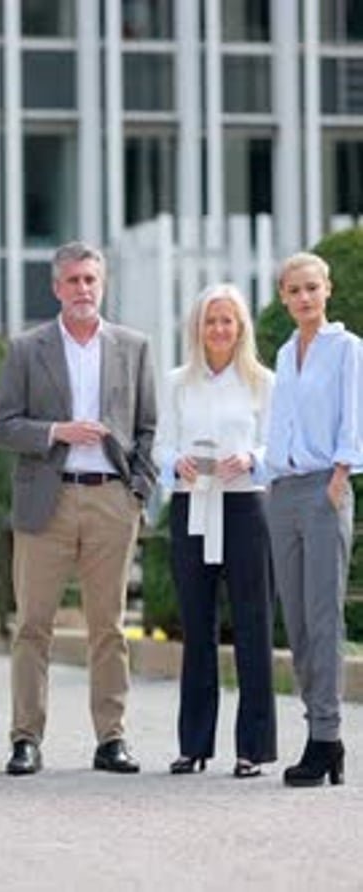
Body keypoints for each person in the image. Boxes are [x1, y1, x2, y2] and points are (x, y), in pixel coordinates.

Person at [0, 240, 157, 775]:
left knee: (108, 626)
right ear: (56, 287)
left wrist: (139, 490)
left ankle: (112, 738)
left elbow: (148, 428)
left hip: (112, 499)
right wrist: (57, 431)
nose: (83, 289)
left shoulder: (133, 346)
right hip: (48, 499)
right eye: (73, 281)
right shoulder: (26, 348)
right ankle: (25, 739)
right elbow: (2, 427)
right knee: (32, 625)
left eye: (91, 279)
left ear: (101, 283)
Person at [155, 283, 277, 778]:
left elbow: (277, 445)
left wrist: (252, 458)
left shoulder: (263, 382)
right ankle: (194, 744)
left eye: (228, 320)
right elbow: (160, 446)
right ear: (197, 328)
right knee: (197, 627)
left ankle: (253, 747)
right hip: (192, 507)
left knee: (253, 626)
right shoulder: (177, 382)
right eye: (211, 320)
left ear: (241, 327)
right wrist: (174, 463)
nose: (220, 329)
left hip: (246, 508)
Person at [265, 252, 363, 787]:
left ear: (328, 290)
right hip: (283, 492)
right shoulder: (283, 354)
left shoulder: (348, 350)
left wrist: (340, 476)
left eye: (312, 288)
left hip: (326, 488)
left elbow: (356, 415)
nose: (304, 297)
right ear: (283, 297)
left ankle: (325, 739)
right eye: (294, 290)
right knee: (297, 622)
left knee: (324, 618)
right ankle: (320, 731)